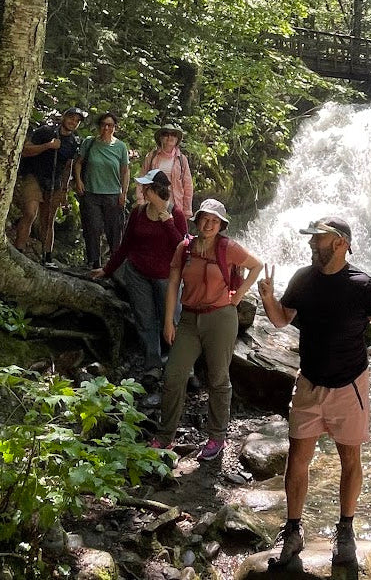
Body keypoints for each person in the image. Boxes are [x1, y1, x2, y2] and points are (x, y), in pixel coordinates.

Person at [257, 217, 371, 570]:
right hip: (309, 383)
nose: (310, 244)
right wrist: (268, 298)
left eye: (317, 239)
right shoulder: (303, 279)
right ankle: (293, 529)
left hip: (350, 386)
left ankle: (346, 529)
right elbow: (280, 320)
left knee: (350, 460)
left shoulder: (364, 285)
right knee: (298, 458)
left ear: (339, 242)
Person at [151, 198, 263, 461]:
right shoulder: (185, 248)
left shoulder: (228, 248)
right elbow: (173, 283)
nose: (209, 224)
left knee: (218, 378)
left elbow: (256, 266)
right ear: (198, 220)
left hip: (220, 319)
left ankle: (216, 438)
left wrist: (238, 296)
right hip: (189, 319)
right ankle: (165, 436)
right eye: (205, 219)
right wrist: (168, 320)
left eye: (215, 220)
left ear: (221, 224)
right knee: (174, 375)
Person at [91, 170, 187, 377]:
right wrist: (108, 269)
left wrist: (168, 222)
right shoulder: (138, 213)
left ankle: (181, 365)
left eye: (147, 187)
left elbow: (182, 247)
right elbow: (125, 246)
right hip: (138, 274)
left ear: (156, 190)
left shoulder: (176, 214)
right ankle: (153, 364)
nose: (143, 191)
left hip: (166, 278)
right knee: (145, 320)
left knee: (171, 319)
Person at [13, 106, 86, 265]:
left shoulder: (73, 142)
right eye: (71, 118)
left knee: (48, 220)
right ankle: (18, 251)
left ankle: (47, 257)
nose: (73, 122)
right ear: (63, 117)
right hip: (34, 176)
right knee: (30, 213)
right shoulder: (45, 131)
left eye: (77, 120)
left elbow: (68, 166)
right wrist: (48, 146)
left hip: (55, 182)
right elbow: (25, 150)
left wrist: (64, 190)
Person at [74, 112, 131, 269]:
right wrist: (78, 181)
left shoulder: (120, 147)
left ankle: (115, 264)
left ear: (115, 127)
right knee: (92, 228)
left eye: (110, 125)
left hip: (112, 194)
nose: (106, 128)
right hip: (91, 193)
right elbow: (78, 163)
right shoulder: (89, 143)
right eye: (104, 124)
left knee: (114, 231)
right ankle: (94, 262)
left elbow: (125, 171)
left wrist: (123, 193)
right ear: (99, 126)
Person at [136, 123, 194, 217]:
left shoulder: (182, 160)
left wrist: (187, 209)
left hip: (175, 205)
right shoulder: (151, 157)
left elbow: (188, 186)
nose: (169, 137)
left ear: (177, 139)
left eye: (173, 135)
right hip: (153, 203)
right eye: (166, 134)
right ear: (160, 138)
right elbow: (142, 180)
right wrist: (141, 201)